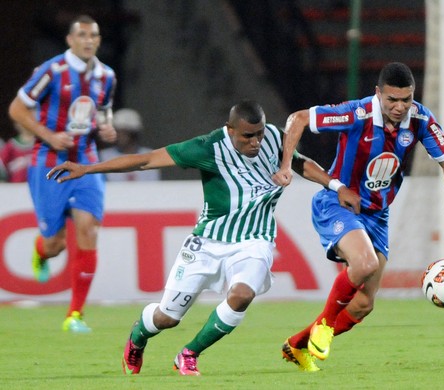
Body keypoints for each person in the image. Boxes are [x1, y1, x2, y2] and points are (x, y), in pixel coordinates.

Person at [47, 100, 354, 376]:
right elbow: (147, 160)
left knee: (242, 295)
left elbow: (300, 163)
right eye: (247, 136)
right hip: (207, 244)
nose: (256, 141)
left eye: (259, 133)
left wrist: (335, 185)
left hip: (254, 241)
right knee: (167, 317)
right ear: (230, 129)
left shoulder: (274, 138)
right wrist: (88, 169)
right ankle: (138, 337)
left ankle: (189, 354)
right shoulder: (208, 147)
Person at [272, 62, 444, 371]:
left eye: (406, 99)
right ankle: (323, 325)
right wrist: (286, 166)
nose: (400, 106)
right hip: (338, 203)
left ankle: (298, 344)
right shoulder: (355, 113)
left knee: (364, 304)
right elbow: (297, 119)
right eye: (392, 99)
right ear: (378, 94)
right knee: (365, 264)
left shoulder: (419, 119)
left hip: (378, 214)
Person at [8, 14, 117, 333]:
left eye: (93, 35)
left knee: (89, 229)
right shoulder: (52, 71)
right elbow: (16, 108)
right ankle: (41, 253)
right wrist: (48, 136)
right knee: (55, 243)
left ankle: (75, 314)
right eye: (82, 35)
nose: (88, 40)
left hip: (86, 161)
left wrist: (106, 128)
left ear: (98, 39)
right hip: (48, 162)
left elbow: (102, 110)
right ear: (70, 40)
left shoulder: (106, 75)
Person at [99, 108, 161, 181]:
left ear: (133, 134)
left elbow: (154, 186)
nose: (118, 135)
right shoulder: (104, 156)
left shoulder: (150, 156)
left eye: (123, 132)